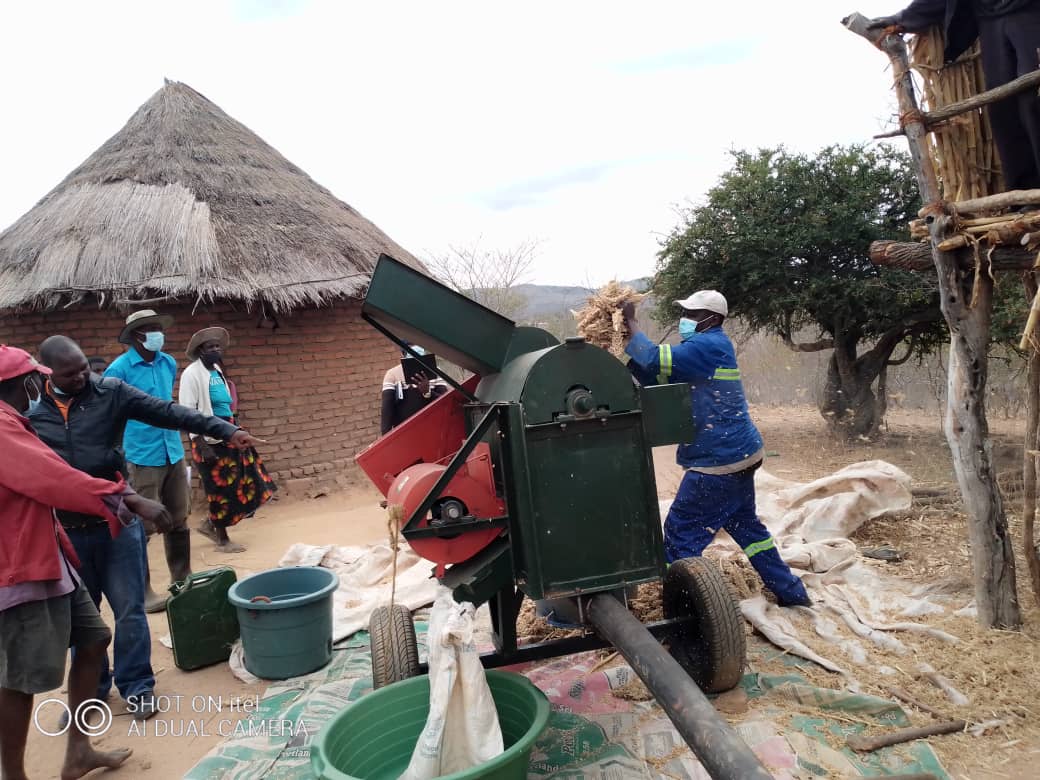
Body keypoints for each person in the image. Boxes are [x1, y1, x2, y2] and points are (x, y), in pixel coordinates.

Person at [31, 335, 258, 719]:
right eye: (72, 374)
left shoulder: (110, 391)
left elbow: (167, 411)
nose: (83, 377)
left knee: (129, 609)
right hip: (68, 530)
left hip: (117, 521)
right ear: (50, 374)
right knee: (82, 617)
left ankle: (138, 687)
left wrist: (223, 429)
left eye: (85, 367)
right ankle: (93, 690)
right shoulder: (33, 411)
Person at [0, 345, 170, 780]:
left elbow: (53, 468)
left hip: (49, 557)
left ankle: (78, 750)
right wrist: (126, 497)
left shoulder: (15, 423)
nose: (36, 388)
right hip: (18, 567)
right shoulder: (2, 428)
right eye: (31, 381)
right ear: (17, 385)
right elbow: (53, 478)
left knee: (94, 639)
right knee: (18, 679)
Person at [622, 292, 811, 607]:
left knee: (680, 534)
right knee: (748, 529)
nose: (686, 319)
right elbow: (658, 373)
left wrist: (630, 325)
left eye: (691, 314)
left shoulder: (708, 346)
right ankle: (792, 593)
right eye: (685, 312)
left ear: (712, 318)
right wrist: (627, 356)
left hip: (718, 462)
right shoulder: (701, 350)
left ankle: (680, 611)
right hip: (740, 454)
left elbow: (655, 359)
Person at [869, 2, 1040, 191]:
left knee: (1033, 97)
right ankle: (1027, 191)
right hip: (990, 21)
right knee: (1003, 108)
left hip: (1030, 13)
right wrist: (901, 19)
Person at [179, 327, 276, 553]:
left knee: (248, 475)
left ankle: (210, 524)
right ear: (200, 350)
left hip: (226, 433)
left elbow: (224, 404)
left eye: (217, 346)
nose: (215, 350)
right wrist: (199, 442)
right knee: (218, 489)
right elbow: (187, 411)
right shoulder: (191, 374)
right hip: (207, 440)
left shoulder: (215, 370)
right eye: (210, 347)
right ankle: (222, 539)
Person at [379, 344, 449, 435]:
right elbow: (387, 408)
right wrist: (385, 436)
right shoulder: (392, 374)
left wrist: (427, 392)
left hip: (432, 429)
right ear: (403, 353)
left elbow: (445, 401)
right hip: (405, 432)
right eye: (410, 346)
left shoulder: (435, 371)